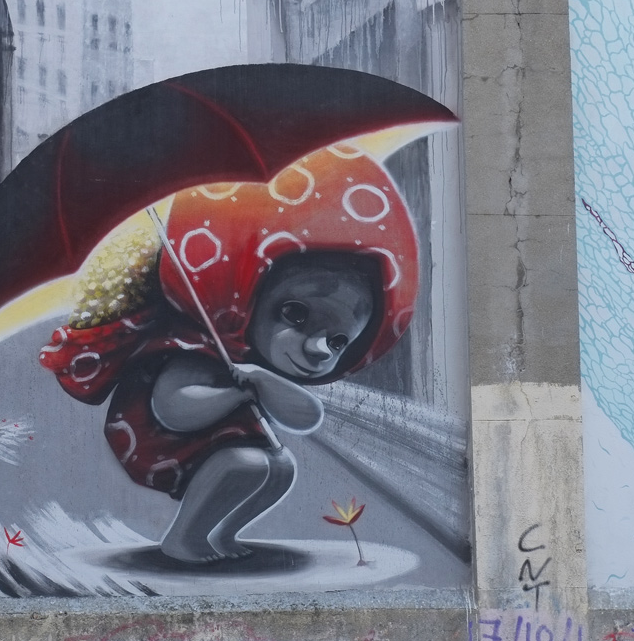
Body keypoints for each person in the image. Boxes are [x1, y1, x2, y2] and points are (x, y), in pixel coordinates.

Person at [39, 145, 419, 563]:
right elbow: (174, 410)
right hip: (163, 443)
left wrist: (261, 380)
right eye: (295, 315)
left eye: (337, 342)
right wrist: (236, 393)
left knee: (281, 467)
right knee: (247, 464)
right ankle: (184, 536)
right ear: (246, 294)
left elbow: (306, 417)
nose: (316, 348)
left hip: (219, 443)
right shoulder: (196, 348)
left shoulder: (249, 361)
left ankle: (222, 534)